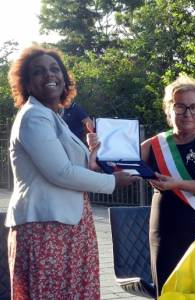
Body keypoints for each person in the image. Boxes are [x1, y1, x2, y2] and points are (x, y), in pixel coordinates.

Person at [5, 45, 137, 299]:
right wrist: (111, 182)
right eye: (39, 71)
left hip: (69, 225)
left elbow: (72, 170)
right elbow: (61, 173)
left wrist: (93, 153)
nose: (49, 75)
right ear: (26, 83)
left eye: (55, 69)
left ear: (65, 79)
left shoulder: (52, 117)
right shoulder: (34, 117)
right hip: (46, 227)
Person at [141, 75, 195, 297]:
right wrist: (98, 148)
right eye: (180, 106)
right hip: (165, 230)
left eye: (194, 107)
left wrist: (178, 183)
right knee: (169, 288)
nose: (188, 113)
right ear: (169, 109)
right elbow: (121, 166)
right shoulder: (154, 145)